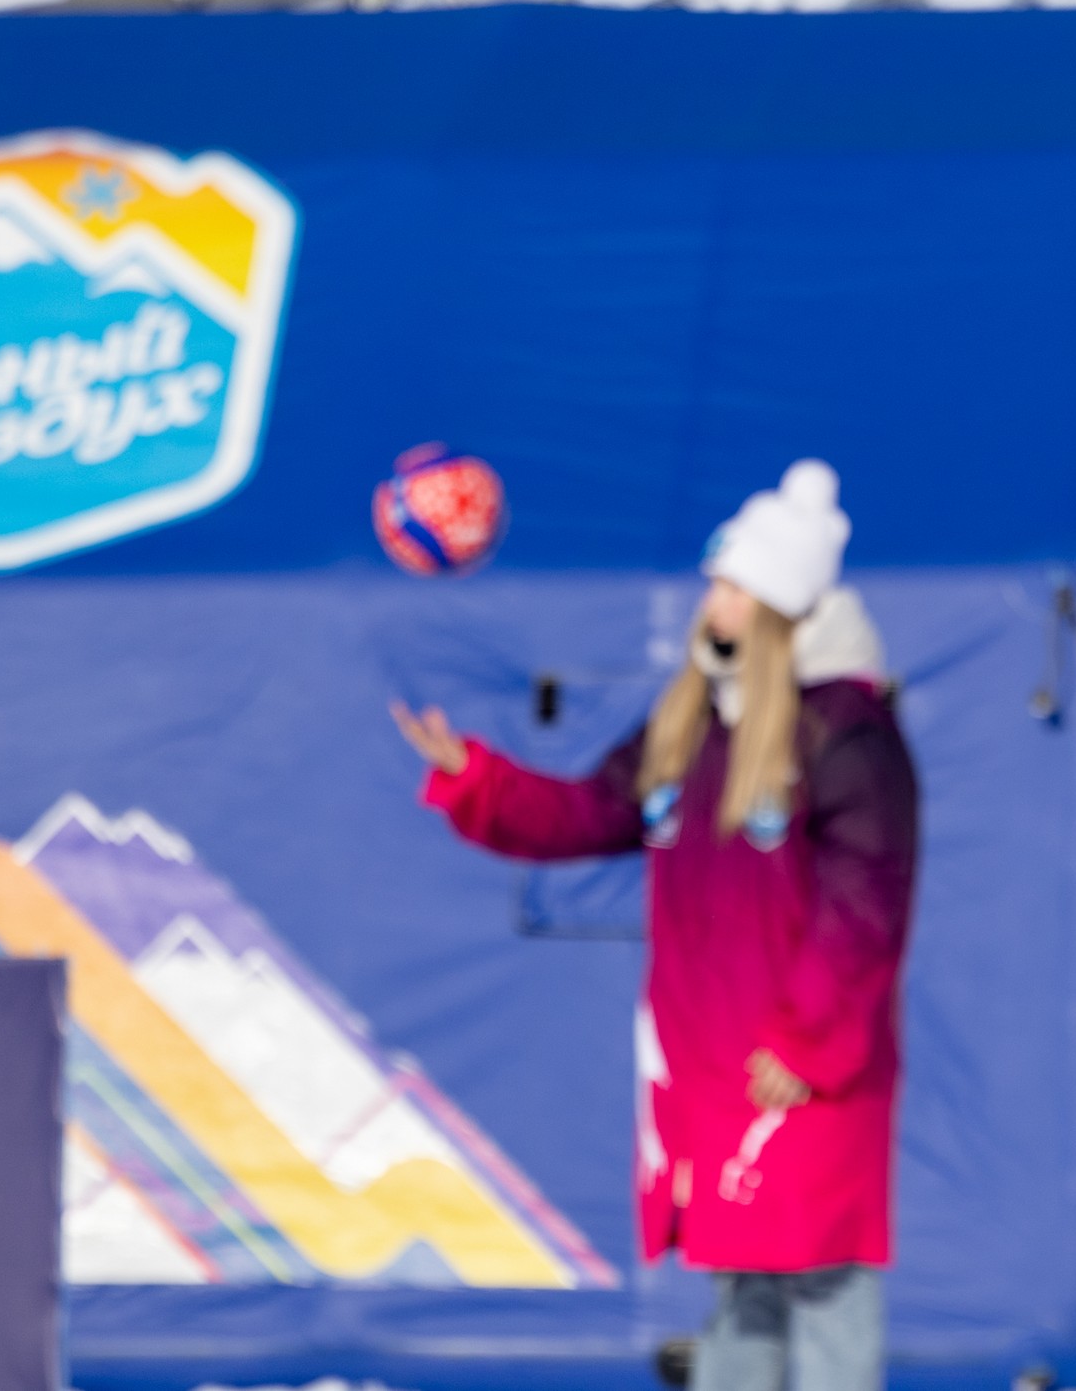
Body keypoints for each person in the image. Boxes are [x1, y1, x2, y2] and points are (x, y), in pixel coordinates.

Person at [393, 460, 919, 1391]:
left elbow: (864, 910)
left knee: (826, 1281)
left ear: (774, 600)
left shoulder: (844, 733)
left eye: (726, 584)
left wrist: (805, 1042)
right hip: (717, 1060)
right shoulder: (698, 726)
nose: (707, 600)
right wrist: (477, 777)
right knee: (742, 1281)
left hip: (805, 1069)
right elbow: (588, 810)